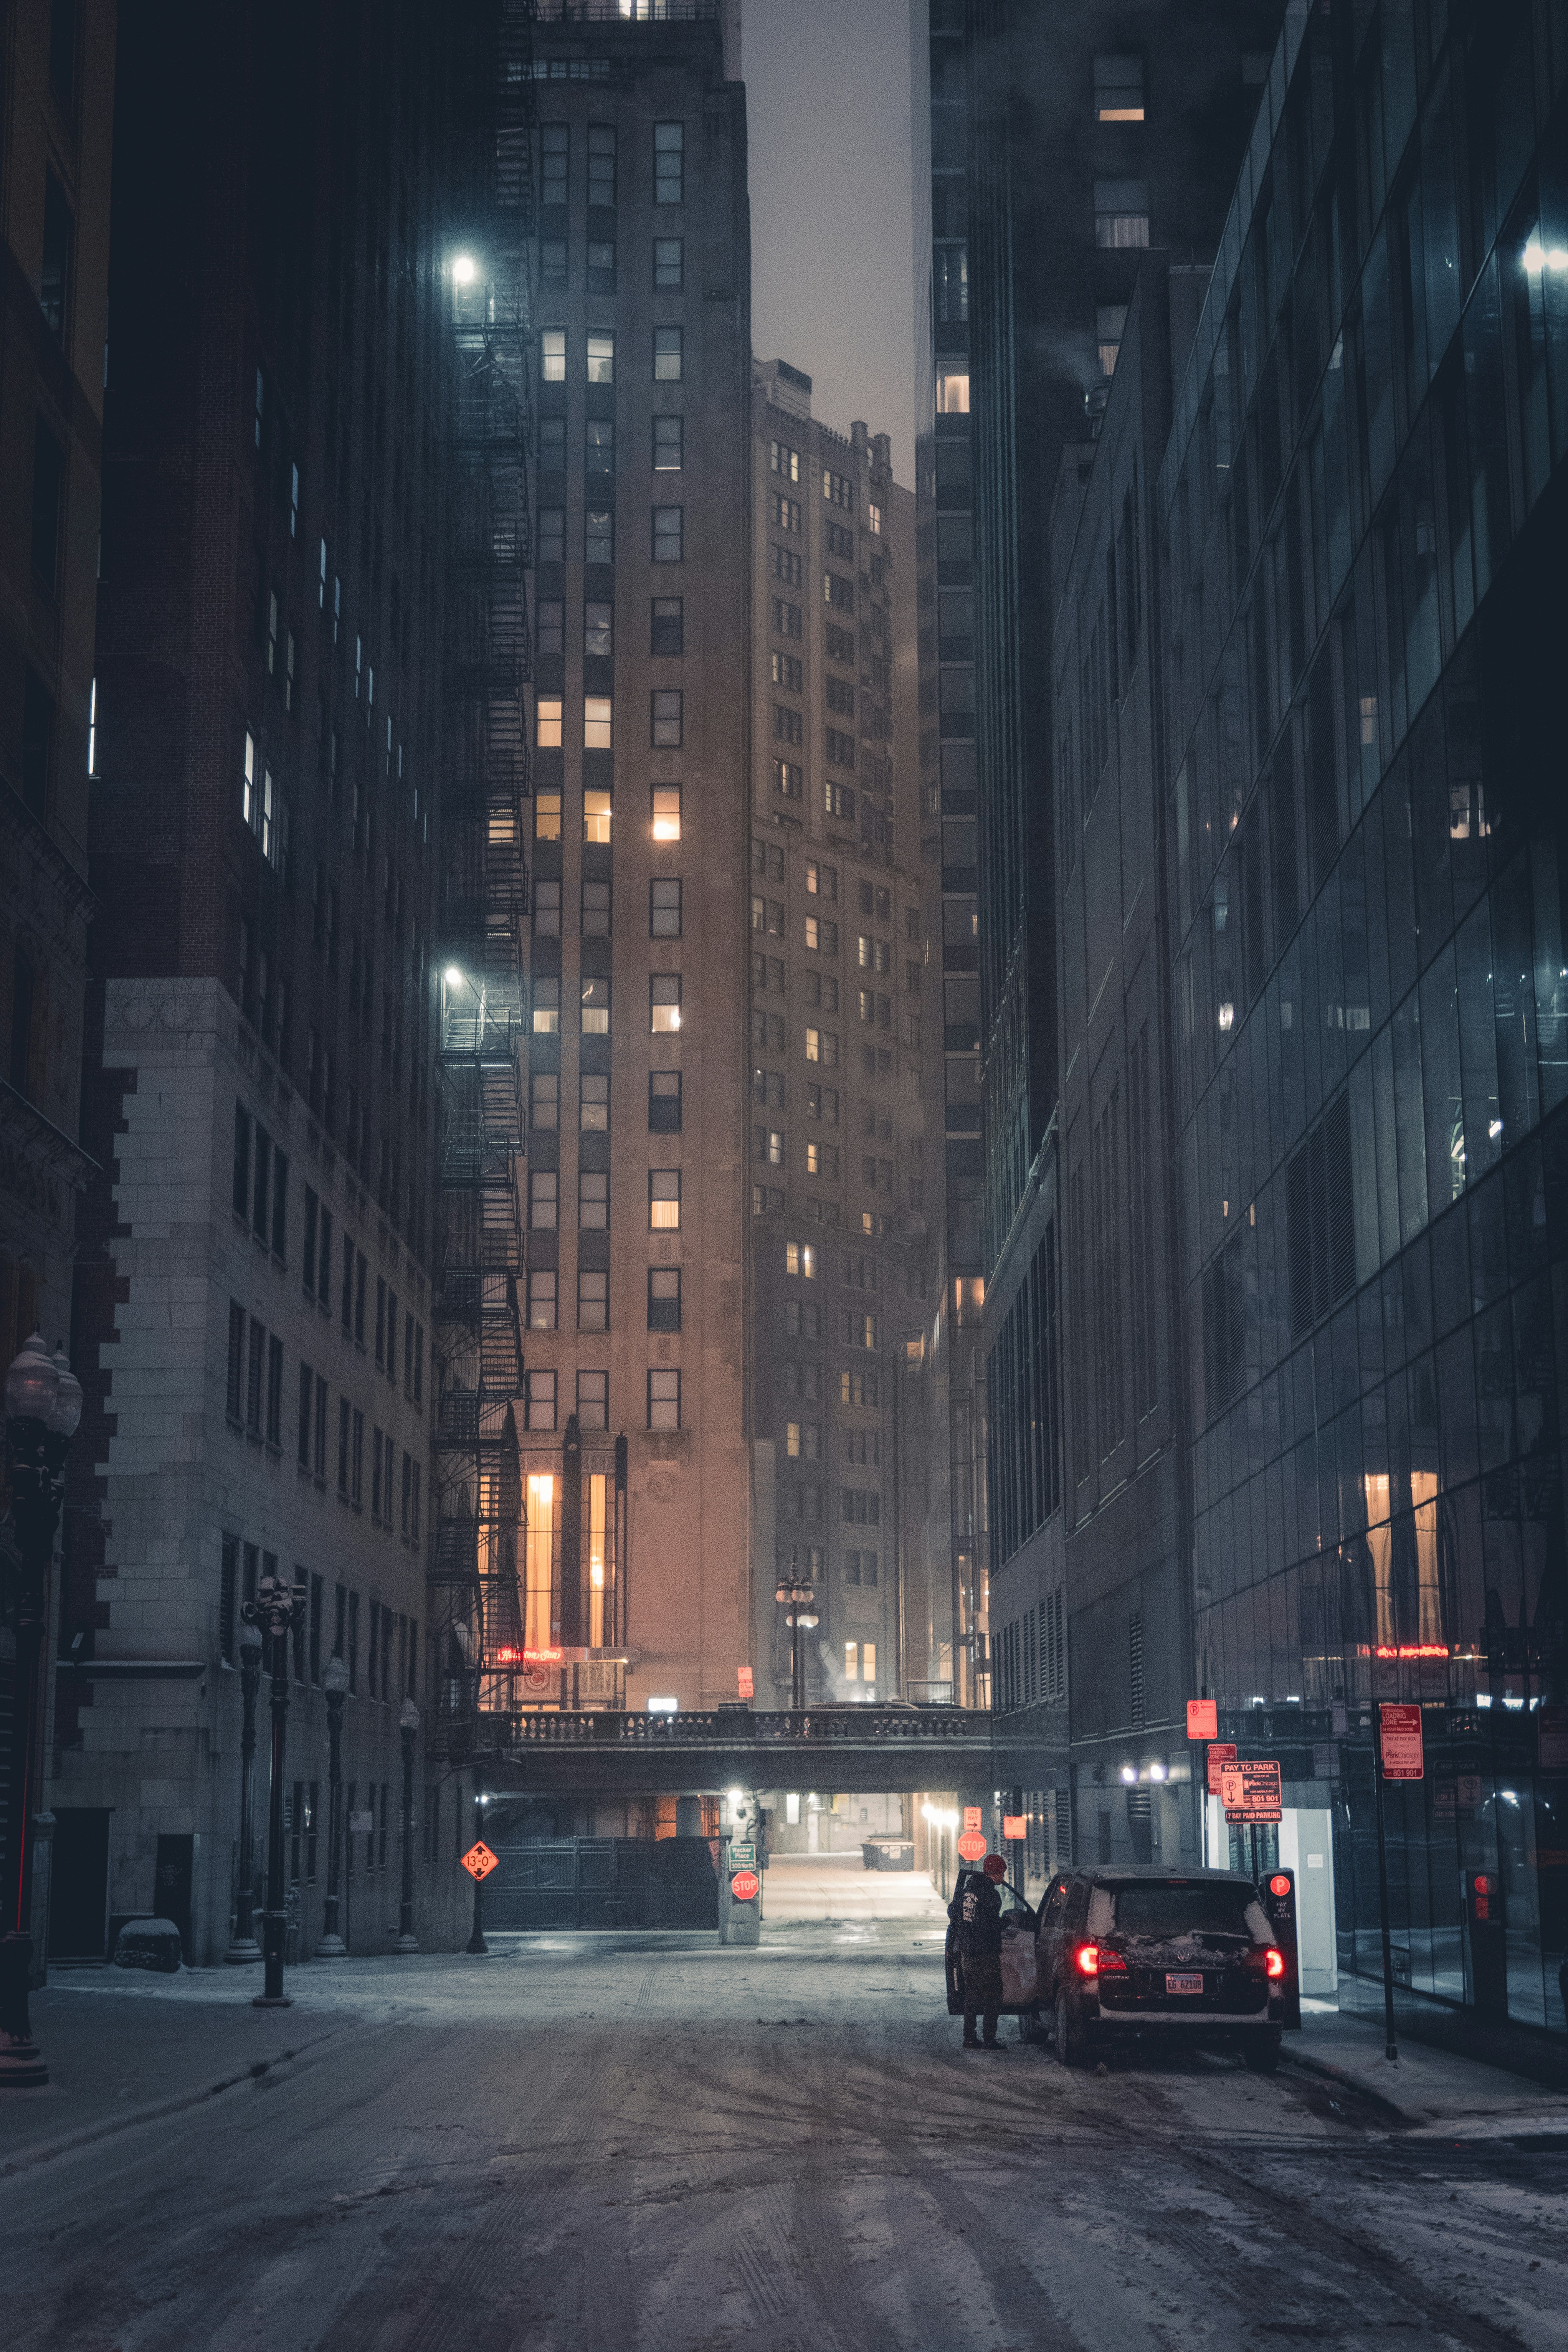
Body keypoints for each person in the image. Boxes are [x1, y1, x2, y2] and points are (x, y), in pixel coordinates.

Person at [948, 1855, 1005, 2048]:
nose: (1003, 1877)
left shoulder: (968, 1891)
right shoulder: (991, 1895)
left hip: (967, 1951)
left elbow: (953, 1913)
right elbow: (989, 1925)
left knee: (972, 1995)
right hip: (985, 1952)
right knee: (993, 1995)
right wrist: (1006, 1923)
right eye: (1003, 1873)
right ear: (996, 1873)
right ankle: (989, 2039)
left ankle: (970, 2038)